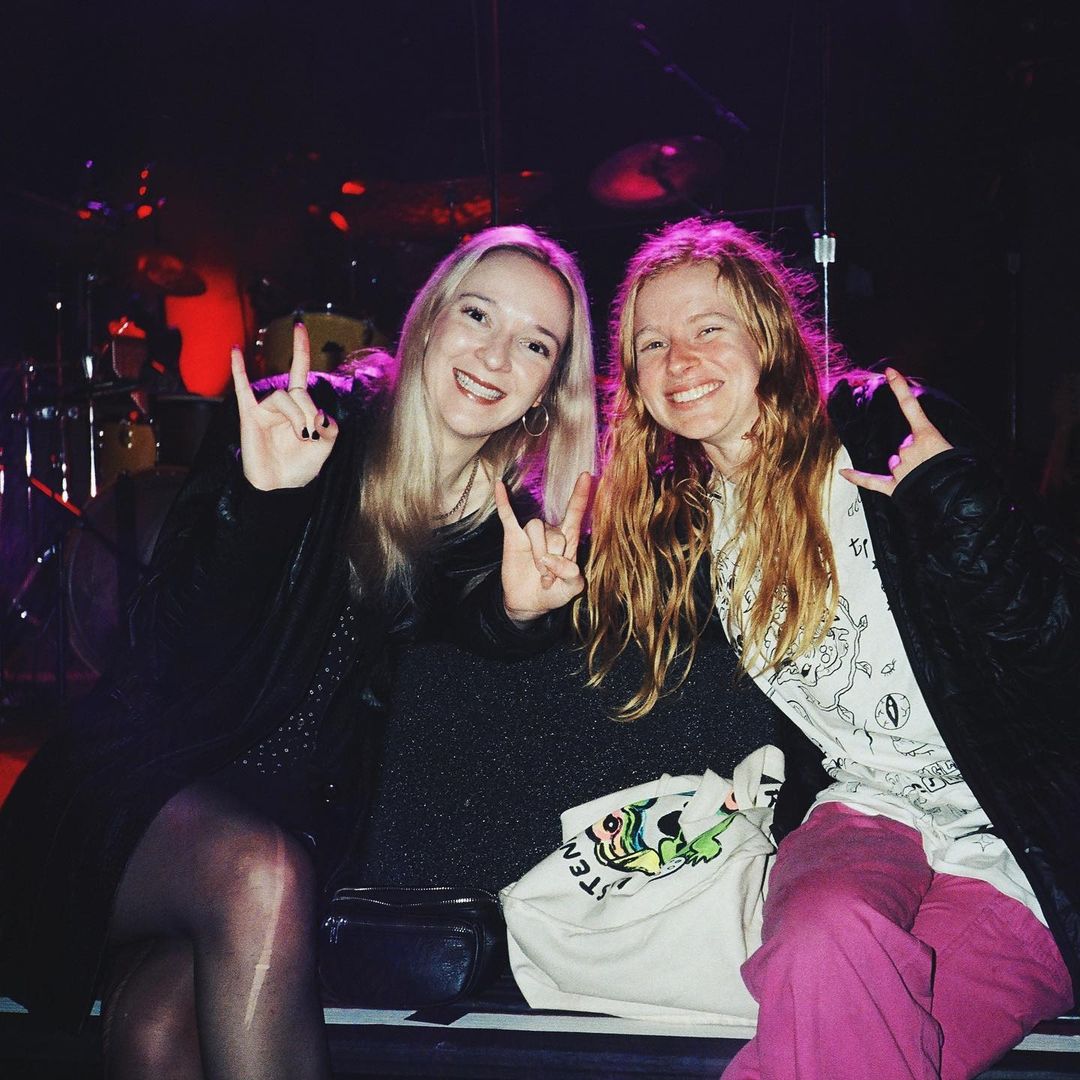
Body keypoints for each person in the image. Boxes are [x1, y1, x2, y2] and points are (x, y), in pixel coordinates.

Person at [0, 224, 597, 1079]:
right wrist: (263, 501)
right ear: (429, 320)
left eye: (534, 344)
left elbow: (478, 642)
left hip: (288, 832)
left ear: (548, 387)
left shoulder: (502, 529)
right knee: (262, 876)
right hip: (143, 791)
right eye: (477, 314)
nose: (496, 356)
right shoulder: (308, 426)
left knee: (159, 1037)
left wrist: (521, 614)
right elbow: (158, 647)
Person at [579, 216, 1080, 1079]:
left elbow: (1054, 644)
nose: (679, 360)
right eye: (652, 343)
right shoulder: (681, 520)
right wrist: (527, 608)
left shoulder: (882, 433)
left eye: (709, 328)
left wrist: (956, 507)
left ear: (768, 335)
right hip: (863, 812)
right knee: (821, 939)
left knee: (831, 1046)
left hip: (1021, 834)